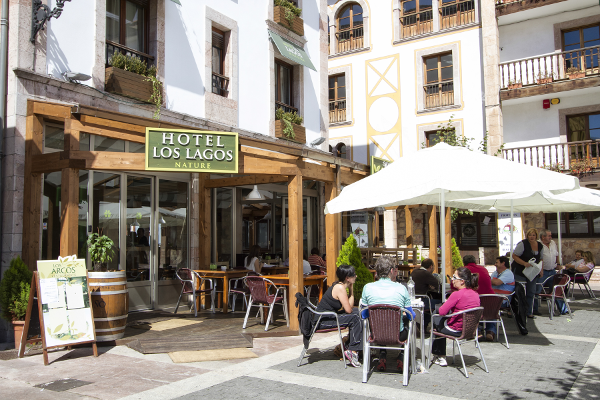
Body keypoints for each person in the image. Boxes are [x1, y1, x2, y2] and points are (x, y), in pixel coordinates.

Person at [360, 255, 411, 372]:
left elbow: (363, 315)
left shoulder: (367, 287)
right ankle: (402, 356)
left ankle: (382, 355)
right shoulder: (401, 288)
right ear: (392, 271)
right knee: (408, 322)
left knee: (381, 323)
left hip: (376, 333)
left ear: (376, 271)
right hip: (398, 335)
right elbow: (411, 315)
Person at [431, 267, 481, 367]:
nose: (452, 279)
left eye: (454, 277)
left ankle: (440, 356)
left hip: (456, 329)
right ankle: (440, 355)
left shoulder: (456, 294)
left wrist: (447, 302)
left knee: (435, 318)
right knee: (438, 319)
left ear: (462, 281)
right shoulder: (475, 294)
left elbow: (442, 311)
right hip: (470, 330)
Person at [315, 265, 362, 367]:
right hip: (322, 321)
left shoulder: (340, 286)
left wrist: (351, 290)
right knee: (356, 317)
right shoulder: (339, 288)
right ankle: (353, 350)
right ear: (347, 278)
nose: (356, 276)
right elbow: (348, 310)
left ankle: (353, 346)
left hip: (329, 316)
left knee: (357, 312)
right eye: (354, 275)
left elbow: (350, 308)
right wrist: (352, 292)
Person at [511, 228, 543, 318]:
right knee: (518, 291)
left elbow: (541, 259)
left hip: (532, 272)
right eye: (530, 235)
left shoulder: (540, 245)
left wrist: (541, 270)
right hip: (520, 270)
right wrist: (524, 263)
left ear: (536, 236)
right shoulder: (523, 244)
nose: (531, 237)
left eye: (533, 235)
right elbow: (514, 255)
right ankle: (515, 310)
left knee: (531, 291)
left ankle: (528, 311)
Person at [486, 256, 515, 341]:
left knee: (491, 306)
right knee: (478, 304)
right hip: (493, 297)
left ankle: (490, 331)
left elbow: (496, 282)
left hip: (504, 299)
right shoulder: (495, 273)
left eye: (497, 262)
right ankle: (479, 330)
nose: (495, 264)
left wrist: (486, 280)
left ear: (503, 263)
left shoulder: (508, 273)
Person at [410, 258, 441, 331]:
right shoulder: (426, 273)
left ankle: (422, 324)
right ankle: (431, 325)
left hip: (414, 299)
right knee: (440, 303)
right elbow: (438, 284)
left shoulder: (414, 271)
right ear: (431, 266)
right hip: (422, 300)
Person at [538, 229, 561, 300]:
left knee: (557, 291)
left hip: (552, 271)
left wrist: (558, 264)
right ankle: (534, 309)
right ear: (543, 237)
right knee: (537, 290)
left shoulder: (553, 243)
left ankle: (563, 310)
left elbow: (556, 254)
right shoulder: (538, 244)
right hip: (542, 271)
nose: (551, 237)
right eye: (549, 236)